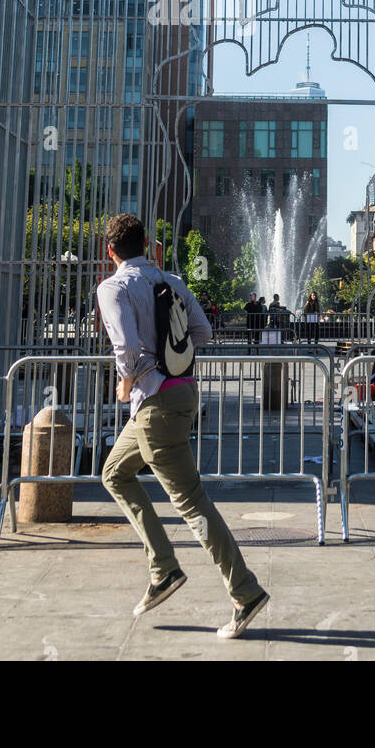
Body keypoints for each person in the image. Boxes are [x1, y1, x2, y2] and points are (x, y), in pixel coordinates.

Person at [97, 213, 269, 639]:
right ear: (148, 244)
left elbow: (126, 347)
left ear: (110, 251)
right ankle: (163, 567)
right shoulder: (171, 280)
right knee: (114, 474)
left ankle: (244, 591)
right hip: (180, 394)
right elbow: (203, 331)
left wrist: (127, 381)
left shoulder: (113, 287)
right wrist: (171, 353)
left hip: (153, 403)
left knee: (192, 503)